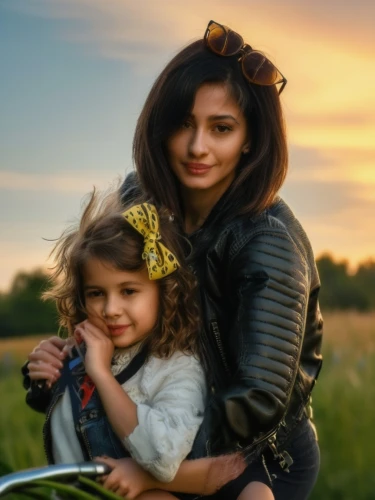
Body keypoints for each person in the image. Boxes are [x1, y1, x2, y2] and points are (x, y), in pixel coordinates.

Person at [100, 18, 323, 500]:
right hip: (157, 424)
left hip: (251, 454)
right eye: (183, 124)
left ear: (250, 138)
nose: (197, 147)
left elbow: (258, 401)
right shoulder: (140, 200)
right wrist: (65, 365)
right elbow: (106, 303)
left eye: (220, 128)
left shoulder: (266, 242)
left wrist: (163, 464)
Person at [21, 188, 209, 499]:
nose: (110, 309)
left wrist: (103, 376)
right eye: (96, 293)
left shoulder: (177, 369)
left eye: (128, 291)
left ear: (163, 292)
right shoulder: (82, 352)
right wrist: (44, 374)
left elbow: (163, 458)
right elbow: (62, 407)